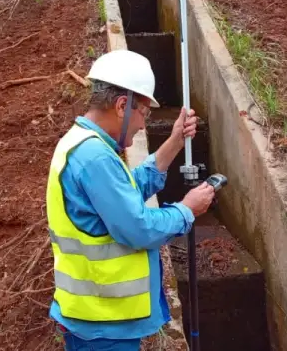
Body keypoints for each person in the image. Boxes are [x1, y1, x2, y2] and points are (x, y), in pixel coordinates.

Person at [45, 49, 215, 351]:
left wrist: (174, 142)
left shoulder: (82, 145)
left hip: (95, 320)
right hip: (102, 325)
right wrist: (187, 210)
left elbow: (125, 192)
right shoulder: (94, 156)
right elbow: (138, 228)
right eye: (144, 114)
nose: (142, 125)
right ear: (122, 106)